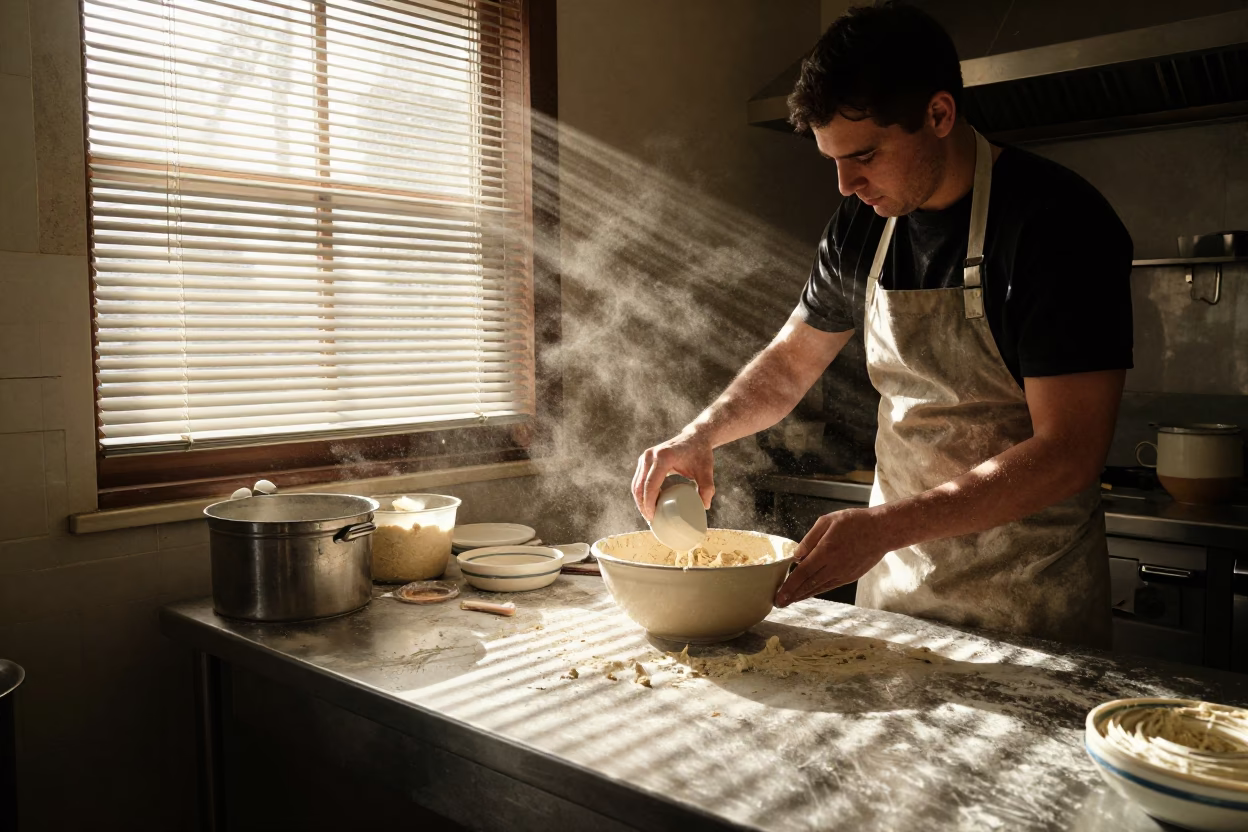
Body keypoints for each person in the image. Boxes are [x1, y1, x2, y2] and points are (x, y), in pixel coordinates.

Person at [631, 2, 1133, 648]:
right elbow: (789, 365)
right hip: (894, 611)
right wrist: (701, 435)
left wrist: (884, 527)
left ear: (940, 114)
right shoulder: (863, 226)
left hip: (1032, 619)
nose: (845, 185)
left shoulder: (1057, 226)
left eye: (864, 154)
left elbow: (1069, 453)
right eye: (832, 160)